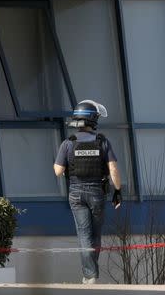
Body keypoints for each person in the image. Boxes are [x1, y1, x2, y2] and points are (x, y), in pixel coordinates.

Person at [53, 100, 122, 284]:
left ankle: (89, 275)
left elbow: (58, 171)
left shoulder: (68, 143)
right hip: (96, 192)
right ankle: (91, 272)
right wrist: (118, 191)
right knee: (95, 234)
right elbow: (113, 168)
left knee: (83, 234)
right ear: (93, 120)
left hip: (75, 192)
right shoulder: (102, 141)